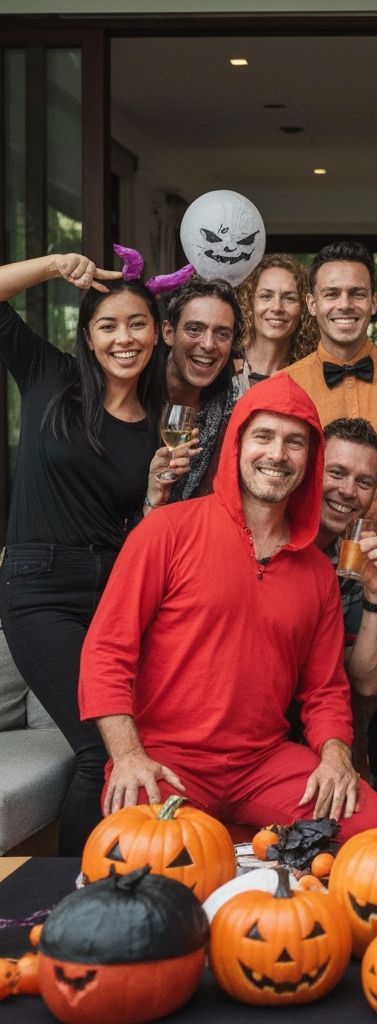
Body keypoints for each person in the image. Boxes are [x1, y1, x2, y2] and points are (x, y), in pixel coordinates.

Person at [78, 373, 377, 836]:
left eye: (295, 442)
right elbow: (106, 652)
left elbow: (325, 690)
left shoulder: (317, 573)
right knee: (147, 861)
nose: (277, 454)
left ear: (310, 460)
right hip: (167, 759)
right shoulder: (166, 530)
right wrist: (127, 756)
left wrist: (335, 756)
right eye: (263, 436)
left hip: (263, 764)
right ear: (236, 443)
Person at [0, 252, 165, 854]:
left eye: (137, 324)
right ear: (89, 336)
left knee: (148, 736)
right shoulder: (50, 375)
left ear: (156, 332)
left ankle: (127, 878)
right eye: (108, 326)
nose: (124, 338)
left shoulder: (156, 426)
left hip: (111, 593)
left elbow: (139, 533)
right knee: (104, 747)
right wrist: (53, 266)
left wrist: (153, 494)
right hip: (39, 593)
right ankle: (67, 897)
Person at [284, 240, 377, 561]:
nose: (345, 304)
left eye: (358, 293)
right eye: (331, 293)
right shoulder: (285, 387)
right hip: (305, 565)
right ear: (312, 303)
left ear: (374, 303)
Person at [315, 417, 377, 776]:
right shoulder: (269, 538)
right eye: (336, 473)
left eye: (364, 482)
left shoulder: (350, 560)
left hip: (324, 734)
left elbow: (366, 681)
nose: (349, 491)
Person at [143, 276, 242, 507]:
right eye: (195, 329)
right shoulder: (134, 393)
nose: (208, 344)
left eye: (222, 333)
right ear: (168, 333)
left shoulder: (232, 408)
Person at [232, 253, 318, 399]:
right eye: (266, 296)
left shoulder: (310, 376)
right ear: (249, 303)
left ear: (304, 308)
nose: (277, 308)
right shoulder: (224, 368)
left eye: (289, 298)